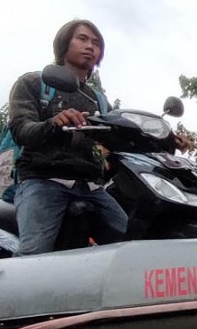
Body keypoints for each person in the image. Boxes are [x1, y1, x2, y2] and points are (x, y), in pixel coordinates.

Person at [7, 19, 128, 255]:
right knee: (33, 256)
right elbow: (22, 130)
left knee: (131, 238)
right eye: (82, 39)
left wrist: (169, 141)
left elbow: (120, 138)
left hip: (90, 186)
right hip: (43, 180)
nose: (90, 46)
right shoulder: (34, 83)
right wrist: (53, 123)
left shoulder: (98, 99)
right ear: (64, 43)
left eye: (96, 43)